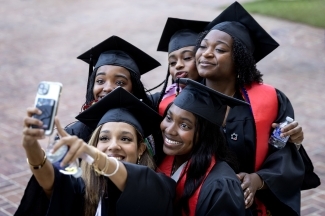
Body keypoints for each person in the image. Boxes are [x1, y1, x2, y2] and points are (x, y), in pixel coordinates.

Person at [195, 2, 320, 215]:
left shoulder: (270, 101)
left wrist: (258, 179)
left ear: (240, 60)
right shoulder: (185, 98)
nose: (206, 53)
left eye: (219, 49)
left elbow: (283, 152)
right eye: (203, 46)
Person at [15, 87, 175, 216]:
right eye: (104, 138)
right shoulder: (85, 186)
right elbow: (53, 186)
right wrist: (32, 148)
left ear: (140, 149)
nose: (113, 146)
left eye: (125, 139)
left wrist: (98, 158)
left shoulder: (159, 187)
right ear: (95, 144)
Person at [158, 78, 247, 216]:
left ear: (205, 134)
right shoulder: (161, 159)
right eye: (169, 118)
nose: (170, 130)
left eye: (184, 125)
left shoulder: (220, 186)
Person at [64, 35, 161, 144]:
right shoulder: (75, 135)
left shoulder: (150, 124)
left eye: (120, 82)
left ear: (134, 89)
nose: (108, 88)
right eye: (100, 81)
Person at [153, 18, 209, 115]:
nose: (178, 65)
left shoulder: (218, 97)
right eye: (172, 62)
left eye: (187, 58)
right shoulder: (162, 98)